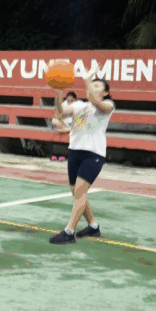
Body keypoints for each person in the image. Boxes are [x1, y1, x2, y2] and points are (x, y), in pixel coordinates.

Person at [49, 72, 114, 245]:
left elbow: (96, 101)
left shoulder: (108, 105)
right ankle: (93, 226)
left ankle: (69, 232)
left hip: (93, 154)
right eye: (93, 84)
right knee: (77, 193)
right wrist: (58, 91)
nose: (94, 86)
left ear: (106, 92)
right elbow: (60, 113)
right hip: (75, 152)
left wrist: (87, 80)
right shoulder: (79, 106)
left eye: (98, 85)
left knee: (79, 192)